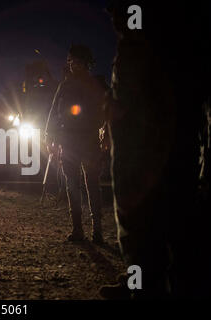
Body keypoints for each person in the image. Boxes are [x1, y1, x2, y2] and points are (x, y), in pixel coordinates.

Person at [100, 1, 211, 299]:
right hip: (157, 162)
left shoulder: (150, 47)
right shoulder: (153, 45)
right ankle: (137, 283)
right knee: (151, 238)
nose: (114, 18)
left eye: (120, 11)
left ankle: (145, 288)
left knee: (152, 237)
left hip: (152, 164)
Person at [45, 44, 108, 243]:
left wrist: (106, 134)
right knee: (73, 185)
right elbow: (54, 112)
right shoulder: (65, 85)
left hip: (89, 139)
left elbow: (107, 113)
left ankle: (97, 230)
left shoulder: (95, 84)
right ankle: (78, 229)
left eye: (77, 61)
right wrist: (50, 137)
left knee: (92, 184)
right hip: (69, 140)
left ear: (86, 62)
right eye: (70, 60)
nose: (73, 64)